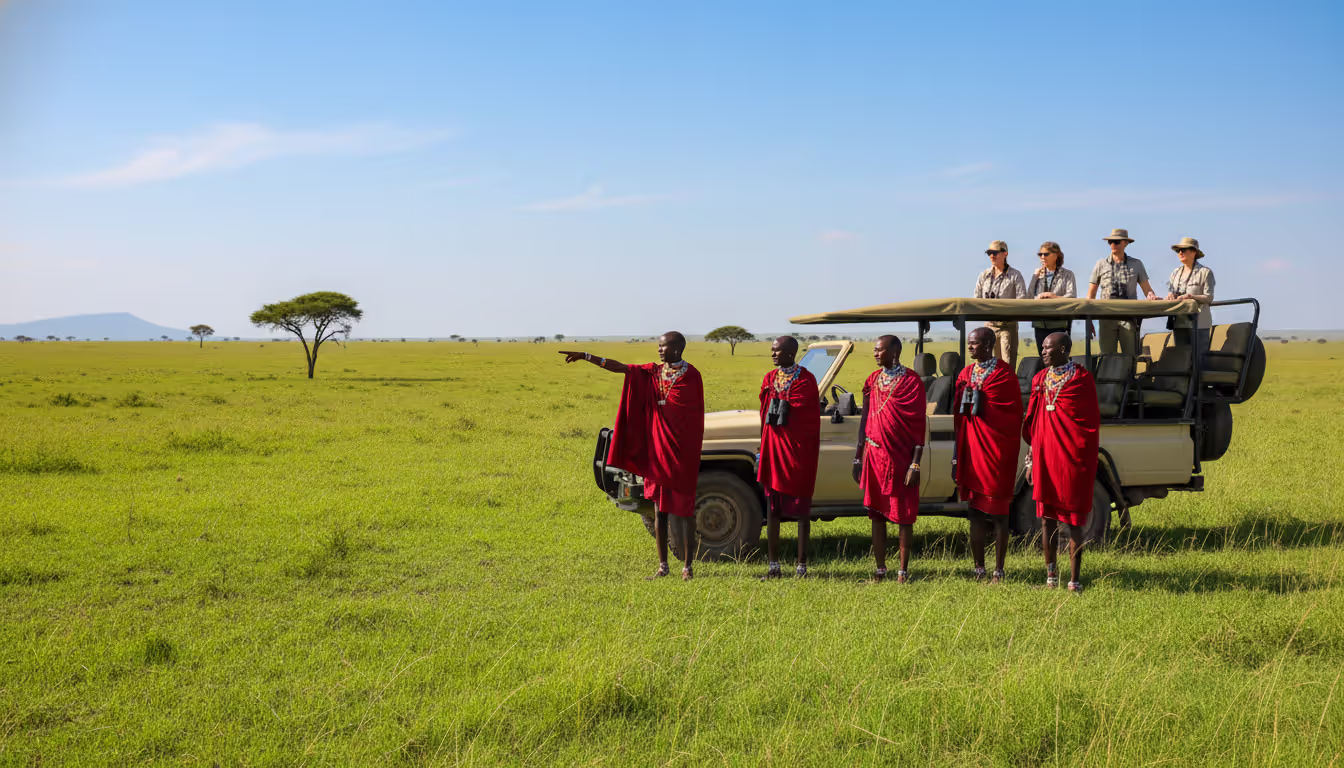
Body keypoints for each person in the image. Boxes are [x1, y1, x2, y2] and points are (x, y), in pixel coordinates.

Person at [560, 333, 705, 580]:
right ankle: (663, 566)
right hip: (658, 451)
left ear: (677, 349)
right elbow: (621, 368)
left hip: (682, 453)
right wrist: (587, 356)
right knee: (659, 509)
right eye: (658, 345)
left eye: (664, 346)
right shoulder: (652, 372)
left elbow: (695, 416)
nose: (659, 349)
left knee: (686, 511)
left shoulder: (692, 376)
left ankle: (688, 567)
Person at [1023, 332, 1101, 593]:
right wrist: (1030, 460)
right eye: (1042, 348)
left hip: (1070, 459)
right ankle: (1051, 578)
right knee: (1047, 519)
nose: (1043, 352)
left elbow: (1089, 423)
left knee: (1074, 520)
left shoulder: (1081, 379)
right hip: (1045, 457)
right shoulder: (1040, 378)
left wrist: (1079, 454)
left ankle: (1075, 580)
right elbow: (1033, 422)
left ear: (1064, 349)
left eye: (1048, 348)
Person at [853, 335, 926, 583]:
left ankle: (903, 572)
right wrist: (857, 457)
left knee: (903, 515)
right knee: (876, 513)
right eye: (874, 349)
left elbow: (918, 427)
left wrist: (915, 463)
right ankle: (880, 569)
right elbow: (864, 420)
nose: (875, 353)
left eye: (879, 349)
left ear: (894, 352)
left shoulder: (911, 381)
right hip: (874, 454)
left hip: (901, 457)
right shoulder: (872, 380)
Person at [953, 327, 1024, 583]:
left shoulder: (1005, 375)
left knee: (998, 513)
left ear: (988, 344)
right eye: (969, 344)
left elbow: (1013, 415)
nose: (970, 348)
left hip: (996, 451)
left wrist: (985, 407)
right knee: (974, 512)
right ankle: (979, 568)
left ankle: (999, 570)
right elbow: (959, 416)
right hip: (972, 449)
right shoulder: (965, 373)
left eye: (975, 344)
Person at [756, 336, 821, 580]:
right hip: (773, 448)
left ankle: (801, 566)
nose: (773, 354)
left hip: (797, 451)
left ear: (791, 353)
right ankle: (774, 566)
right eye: (772, 350)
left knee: (802, 510)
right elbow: (766, 414)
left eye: (777, 350)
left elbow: (805, 414)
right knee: (773, 508)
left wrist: (780, 403)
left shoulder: (806, 379)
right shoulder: (770, 378)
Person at [1086, 229, 1158, 355]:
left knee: (1130, 356)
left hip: (1129, 317)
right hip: (1106, 317)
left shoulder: (1136, 264)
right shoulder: (1100, 264)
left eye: (1116, 241)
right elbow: (1090, 295)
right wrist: (1088, 320)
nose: (1113, 244)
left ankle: (1129, 375)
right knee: (1107, 356)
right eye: (1110, 242)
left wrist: (1152, 296)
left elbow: (1148, 291)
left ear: (1125, 243)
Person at [973, 240, 1028, 369]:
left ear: (1005, 254)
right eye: (989, 253)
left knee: (1007, 364)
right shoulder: (984, 275)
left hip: (1007, 326)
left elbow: (1022, 300)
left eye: (995, 253)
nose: (992, 256)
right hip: (989, 326)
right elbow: (976, 299)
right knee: (988, 364)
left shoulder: (1015, 275)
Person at [1165, 237, 1216, 353]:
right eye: (1178, 251)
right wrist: (1170, 297)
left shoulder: (1205, 272)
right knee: (1181, 359)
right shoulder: (1175, 273)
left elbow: (1209, 297)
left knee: (1199, 360)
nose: (1181, 253)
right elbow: (1171, 293)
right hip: (1179, 323)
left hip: (1199, 324)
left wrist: (1191, 297)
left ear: (1194, 252)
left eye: (1185, 249)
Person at [1027, 241, 1078, 348]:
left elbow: (1072, 297)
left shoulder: (1067, 274)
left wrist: (1054, 297)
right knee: (1043, 357)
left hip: (1059, 323)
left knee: (1060, 356)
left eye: (1046, 254)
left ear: (1055, 256)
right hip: (1040, 323)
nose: (1042, 257)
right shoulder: (1037, 274)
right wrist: (1034, 277)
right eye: (1040, 254)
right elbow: (1029, 297)